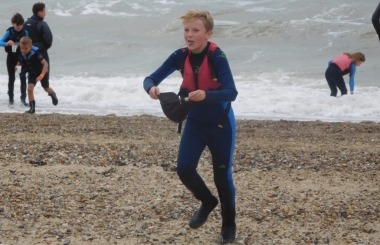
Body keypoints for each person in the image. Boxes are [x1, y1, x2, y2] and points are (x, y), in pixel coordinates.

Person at [143, 10, 238, 244]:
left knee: (221, 177)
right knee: (184, 169)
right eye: (187, 30)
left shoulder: (218, 57)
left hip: (220, 124)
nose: (189, 35)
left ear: (208, 34)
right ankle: (207, 201)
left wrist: (206, 94)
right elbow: (150, 78)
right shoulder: (180, 55)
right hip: (195, 122)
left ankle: (228, 225)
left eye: (195, 30)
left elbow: (231, 92)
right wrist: (151, 89)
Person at [17, 37, 57, 113]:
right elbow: (19, 63)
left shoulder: (36, 53)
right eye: (22, 48)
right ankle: (32, 108)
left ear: (31, 47)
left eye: (26, 48)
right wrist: (18, 71)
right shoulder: (22, 54)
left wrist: (41, 75)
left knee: (46, 88)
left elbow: (45, 64)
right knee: (30, 88)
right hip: (32, 73)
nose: (23, 50)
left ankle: (52, 94)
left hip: (42, 72)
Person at [0, 13, 28, 105]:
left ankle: (23, 98)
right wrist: (7, 43)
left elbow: (29, 44)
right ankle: (11, 98)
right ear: (13, 24)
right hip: (11, 59)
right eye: (17, 25)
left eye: (21, 25)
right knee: (12, 78)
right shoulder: (10, 32)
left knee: (22, 77)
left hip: (20, 60)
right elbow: (0, 42)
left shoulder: (25, 32)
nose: (19, 27)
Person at [24, 2, 52, 85]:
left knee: (31, 80)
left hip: (29, 54)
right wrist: (43, 48)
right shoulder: (42, 24)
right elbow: (48, 40)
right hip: (42, 53)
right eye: (44, 11)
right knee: (45, 84)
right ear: (39, 13)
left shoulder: (26, 24)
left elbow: (23, 39)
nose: (45, 14)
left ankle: (25, 96)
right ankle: (52, 95)